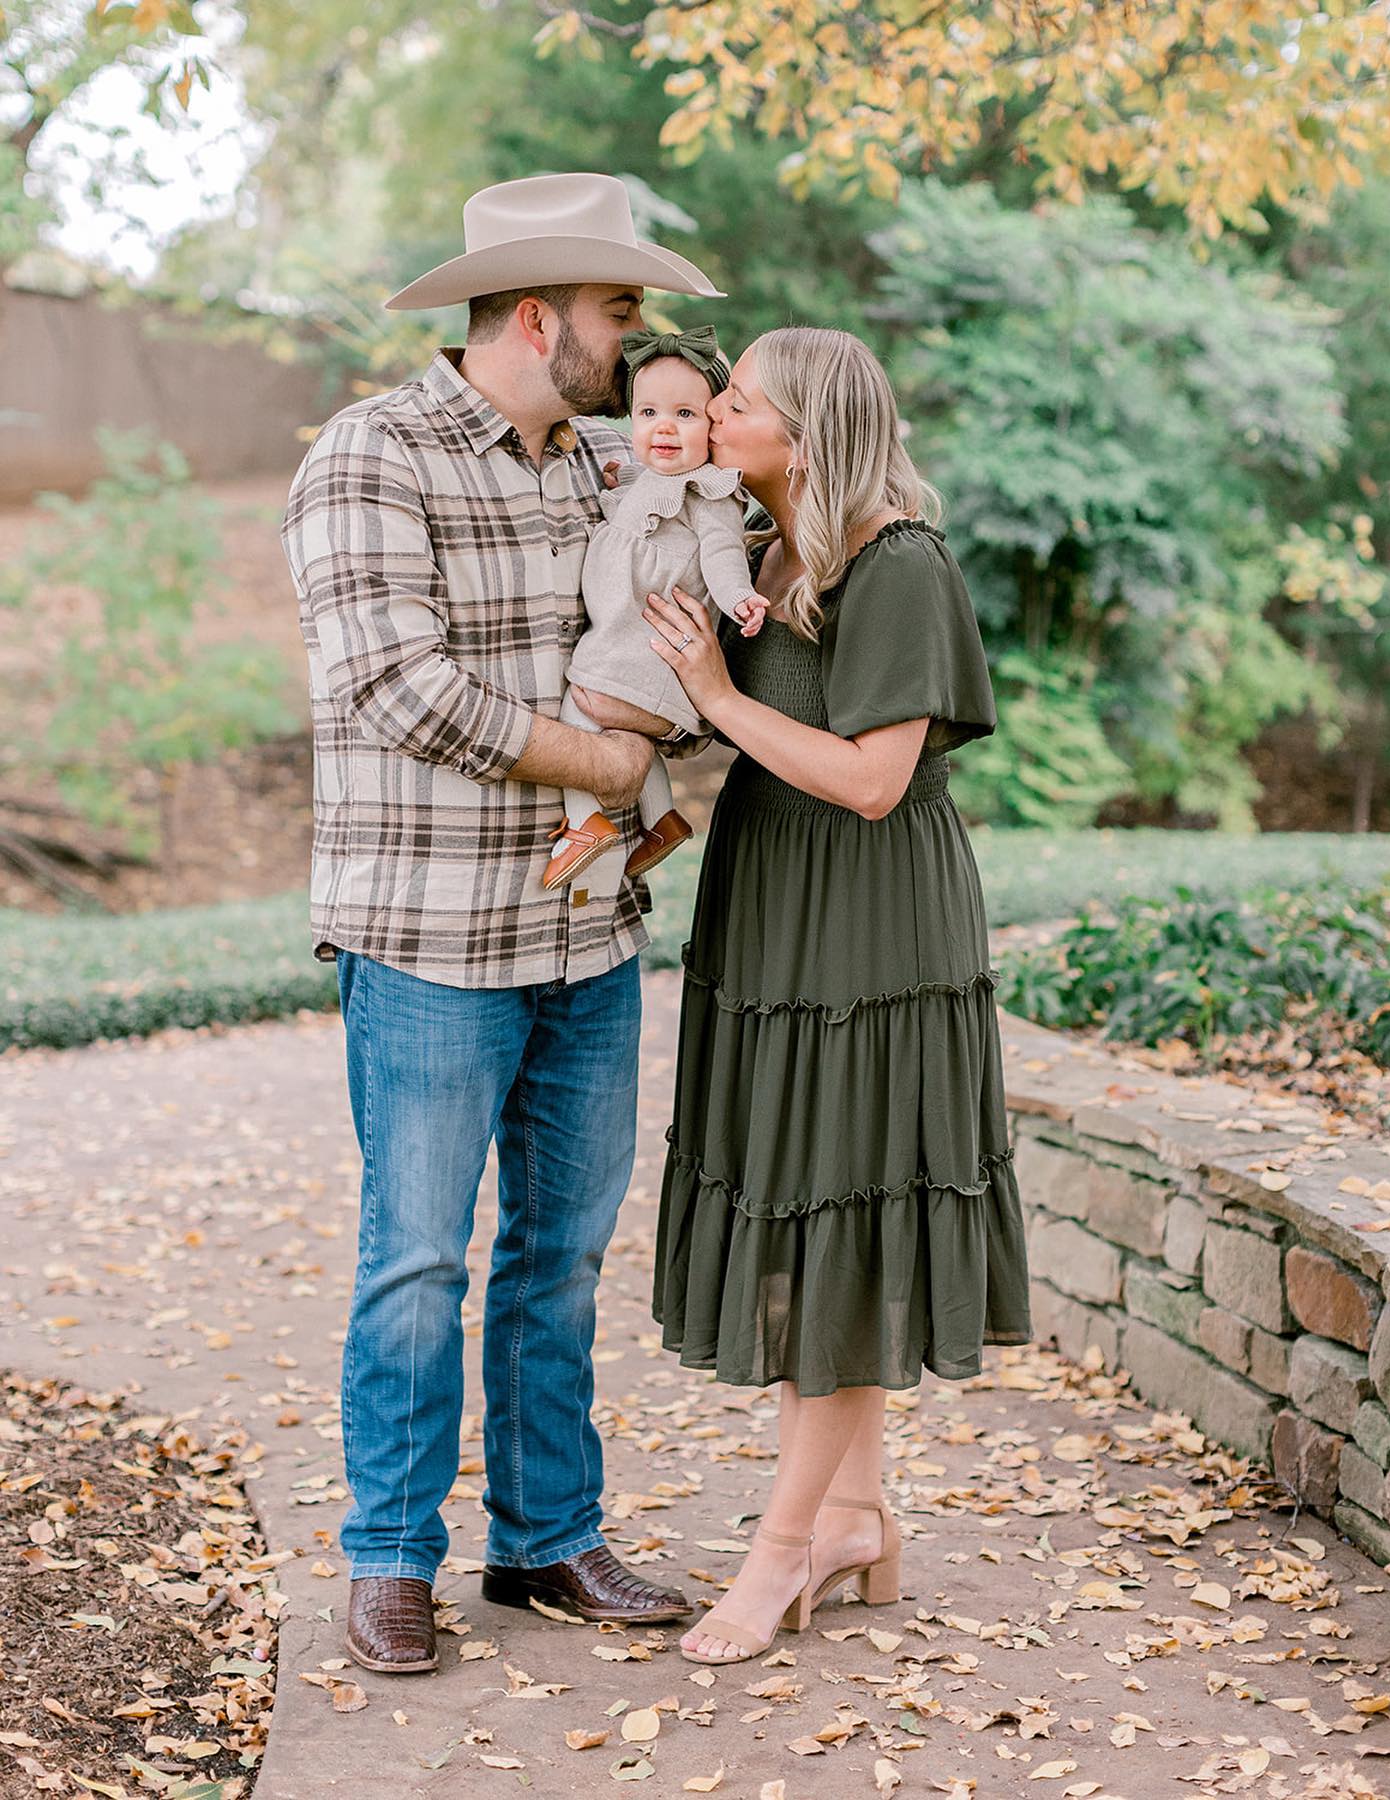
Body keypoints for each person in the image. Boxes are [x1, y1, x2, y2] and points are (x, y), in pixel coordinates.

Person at [281, 172, 723, 1675]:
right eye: (617, 312)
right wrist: (612, 760)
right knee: (417, 1263)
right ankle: (392, 1555)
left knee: (564, 1259)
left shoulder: (620, 460)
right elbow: (397, 692)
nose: (635, 340)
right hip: (430, 944)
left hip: (591, 937)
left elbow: (736, 541)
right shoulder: (368, 457)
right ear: (538, 317)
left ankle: (543, 1544)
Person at [630, 326, 1031, 1664]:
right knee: (816, 1212)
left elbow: (871, 778)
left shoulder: (900, 563)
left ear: (802, 438)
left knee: (833, 1212)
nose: (714, 413)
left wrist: (709, 694)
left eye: (735, 398)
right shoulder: (765, 552)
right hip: (774, 908)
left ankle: (786, 1547)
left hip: (871, 930)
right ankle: (854, 1514)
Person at [545, 325, 768, 894]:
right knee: (608, 720)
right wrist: (631, 478)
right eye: (647, 412)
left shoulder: (711, 493)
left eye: (686, 415)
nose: (663, 426)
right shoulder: (648, 477)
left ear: (714, 424)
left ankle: (583, 821)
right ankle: (662, 819)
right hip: (627, 641)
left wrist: (738, 597)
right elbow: (650, 488)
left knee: (580, 705)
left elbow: (721, 553)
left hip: (643, 647)